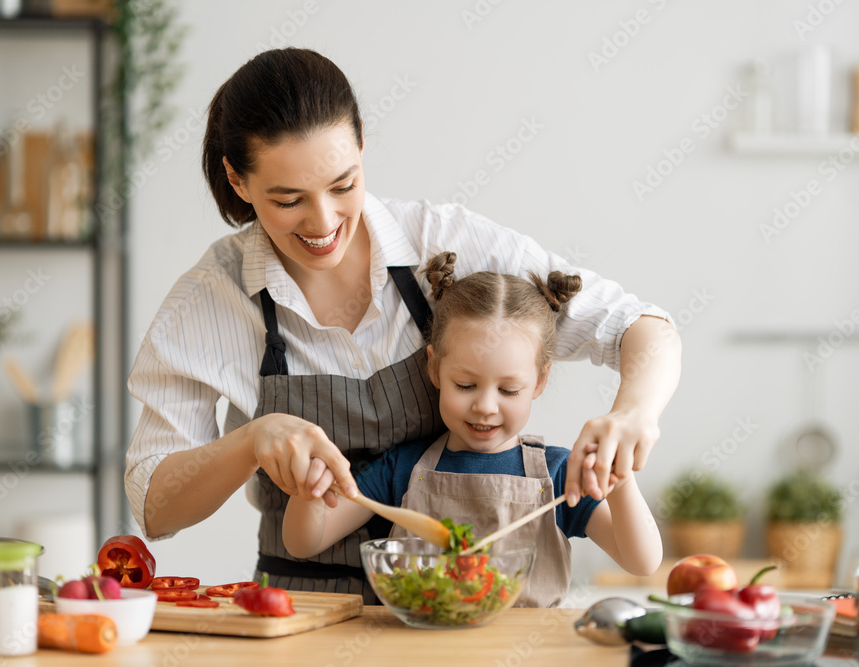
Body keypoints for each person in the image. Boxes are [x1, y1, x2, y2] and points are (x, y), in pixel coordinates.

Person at [125, 47, 681, 602]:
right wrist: (251, 441)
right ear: (238, 182)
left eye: (344, 184)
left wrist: (633, 414)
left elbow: (641, 327)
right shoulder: (210, 297)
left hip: (446, 619)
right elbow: (155, 504)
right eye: (289, 199)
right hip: (298, 613)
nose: (323, 223)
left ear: (362, 145)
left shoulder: (439, 240)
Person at [282, 252, 663, 607]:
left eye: (509, 390)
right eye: (465, 385)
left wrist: (620, 478)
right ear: (435, 369)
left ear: (540, 381)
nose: (485, 406)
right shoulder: (403, 468)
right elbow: (304, 542)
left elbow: (642, 561)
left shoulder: (558, 475)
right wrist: (307, 489)